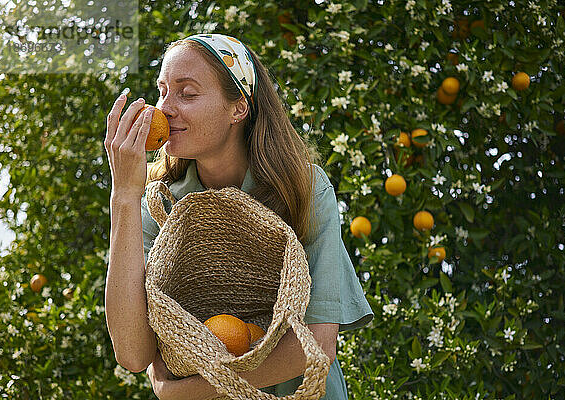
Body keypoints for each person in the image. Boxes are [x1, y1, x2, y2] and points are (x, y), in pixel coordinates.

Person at [104, 33, 373, 400]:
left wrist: (178, 393)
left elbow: (315, 349)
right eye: (163, 90)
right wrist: (124, 195)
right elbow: (133, 354)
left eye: (187, 93)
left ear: (238, 108)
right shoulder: (159, 204)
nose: (164, 108)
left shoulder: (303, 188)